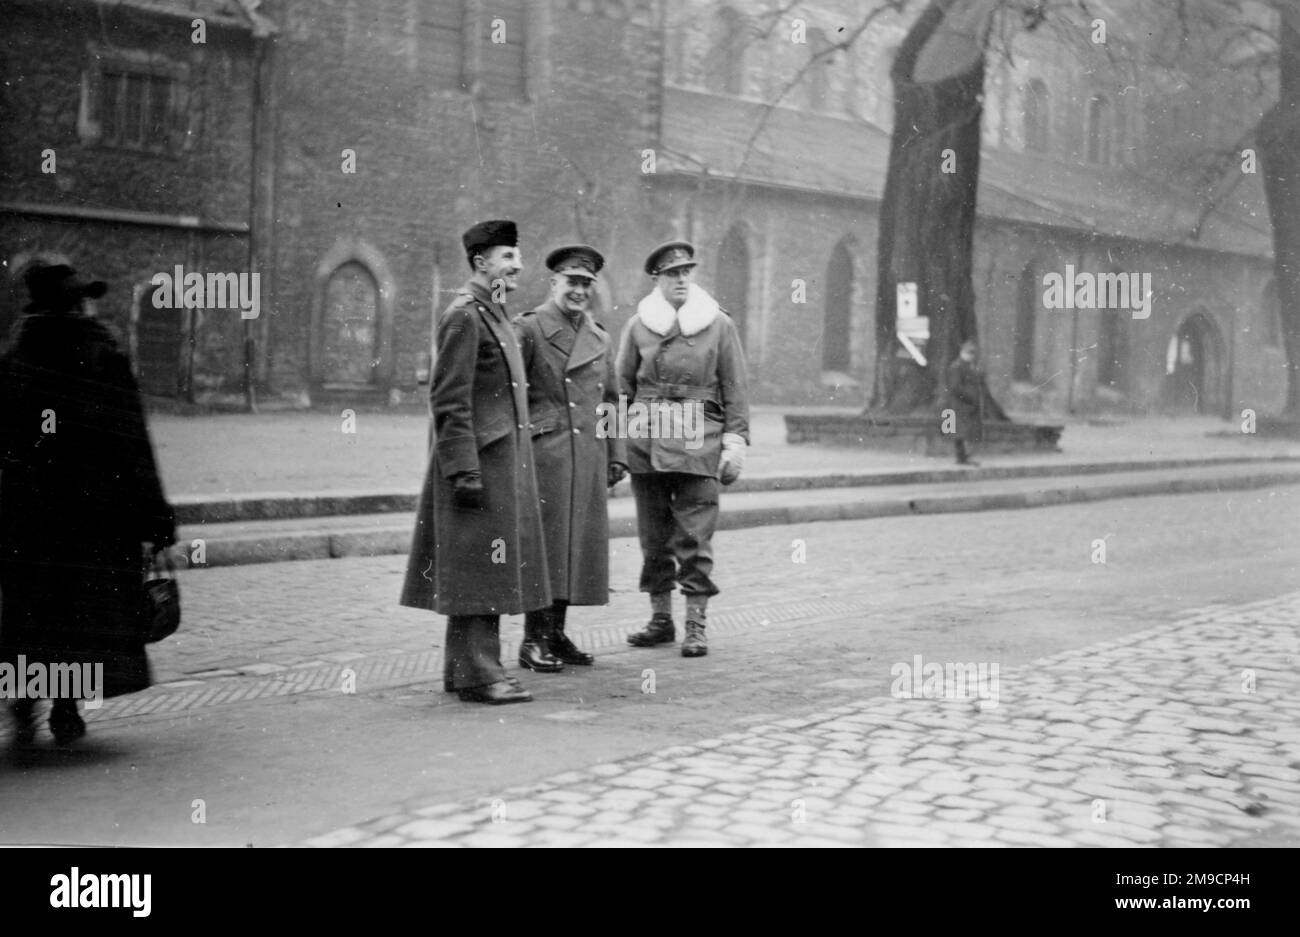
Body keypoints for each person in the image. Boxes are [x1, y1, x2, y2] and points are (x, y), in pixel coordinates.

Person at [0, 259, 176, 747]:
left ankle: (25, 702)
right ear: (77, 303)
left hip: (28, 515)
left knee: (33, 610)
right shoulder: (102, 354)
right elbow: (132, 439)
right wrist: (156, 517)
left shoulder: (15, 356)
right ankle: (66, 706)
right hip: (95, 514)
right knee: (81, 611)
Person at [399, 220, 550, 705]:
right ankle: (481, 674)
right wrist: (463, 469)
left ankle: (472, 671)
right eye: (509, 256)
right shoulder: (465, 316)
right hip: (477, 465)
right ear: (482, 262)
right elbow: (448, 400)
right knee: (480, 570)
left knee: (491, 568)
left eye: (518, 256)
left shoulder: (497, 314)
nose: (519, 264)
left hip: (502, 464)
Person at [617, 241, 750, 658]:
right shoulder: (638, 325)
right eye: (671, 274)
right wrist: (617, 447)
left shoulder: (717, 325)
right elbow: (621, 387)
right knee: (653, 539)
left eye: (685, 272)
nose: (680, 280)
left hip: (700, 441)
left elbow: (735, 387)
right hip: (647, 441)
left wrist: (735, 440)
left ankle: (696, 624)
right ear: (656, 279)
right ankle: (660, 620)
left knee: (694, 537)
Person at [512, 245, 627, 672]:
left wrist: (617, 456)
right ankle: (532, 640)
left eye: (586, 284)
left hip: (587, 456)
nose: (579, 291)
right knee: (546, 548)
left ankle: (556, 635)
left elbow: (612, 401)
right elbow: (511, 395)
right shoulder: (529, 329)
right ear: (554, 283)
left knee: (574, 549)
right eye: (571, 282)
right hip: (546, 453)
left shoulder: (600, 336)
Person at [944, 339, 984, 466]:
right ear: (962, 352)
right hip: (960, 404)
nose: (971, 355)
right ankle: (961, 457)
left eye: (973, 353)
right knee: (960, 432)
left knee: (966, 431)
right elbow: (955, 387)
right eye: (969, 352)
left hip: (967, 405)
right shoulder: (956, 367)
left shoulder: (969, 367)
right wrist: (969, 397)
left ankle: (964, 456)